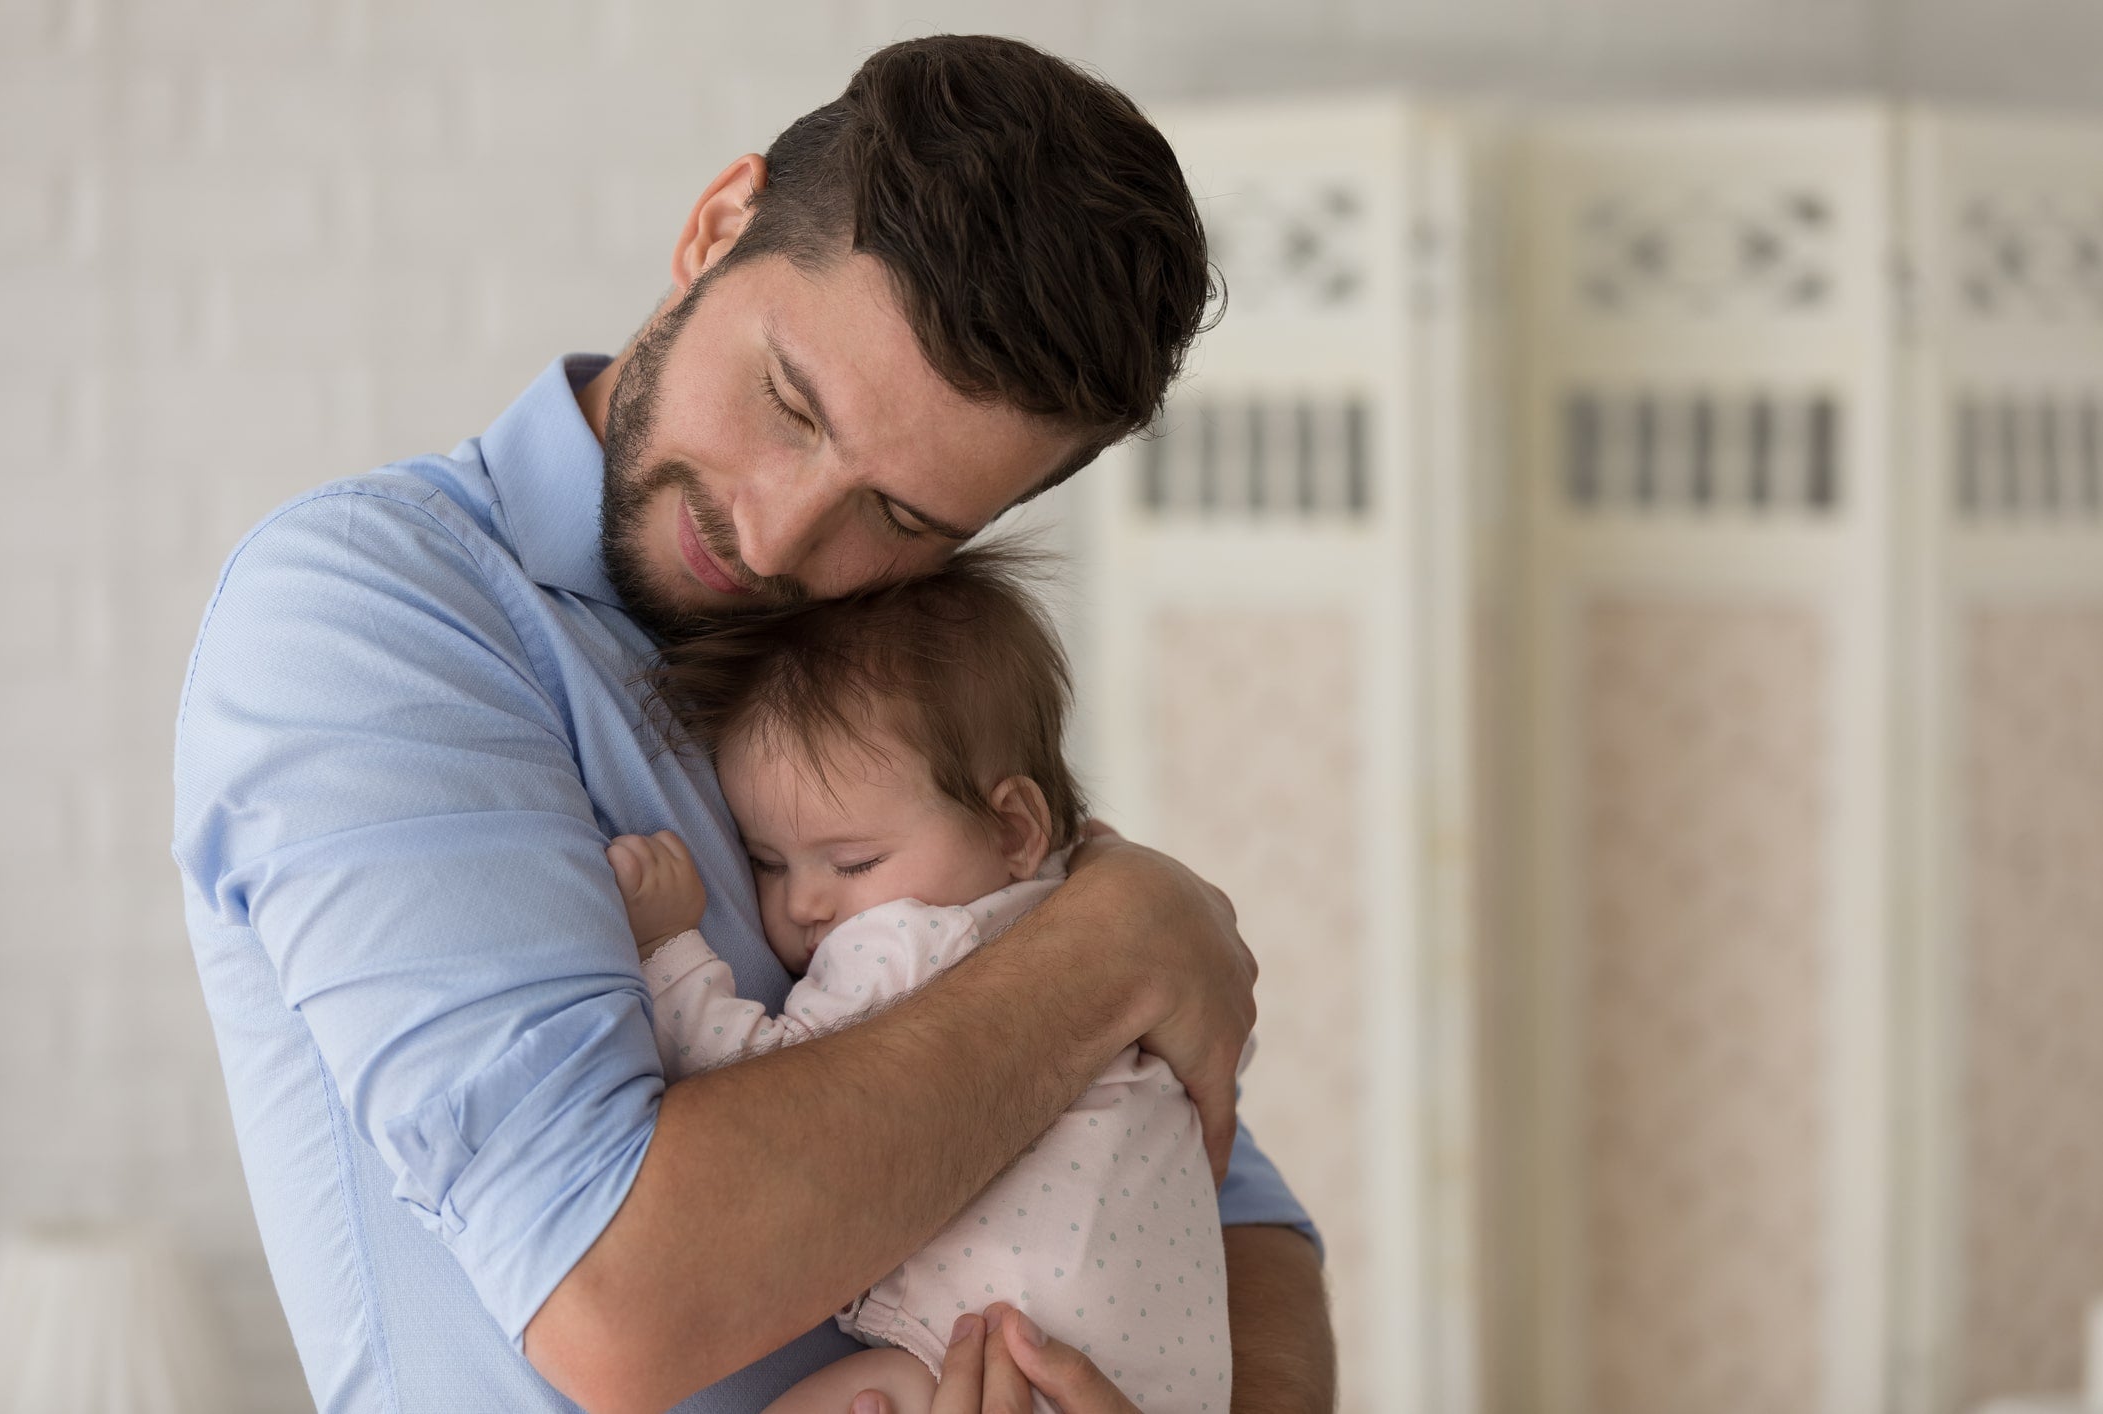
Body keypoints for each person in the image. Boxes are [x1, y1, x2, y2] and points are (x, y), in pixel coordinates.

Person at [172, 34, 1335, 1414]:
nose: (780, 532)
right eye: (790, 402)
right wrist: (1115, 941)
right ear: (716, 225)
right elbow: (617, 1300)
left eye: (901, 514)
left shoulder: (899, 669)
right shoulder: (376, 615)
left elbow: (1232, 1214)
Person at [608, 549, 1232, 1413]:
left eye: (853, 860)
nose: (806, 902)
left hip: (986, 1363)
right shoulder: (1089, 915)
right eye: (766, 862)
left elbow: (764, 1091)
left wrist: (669, 946)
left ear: (1013, 827)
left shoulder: (907, 942)